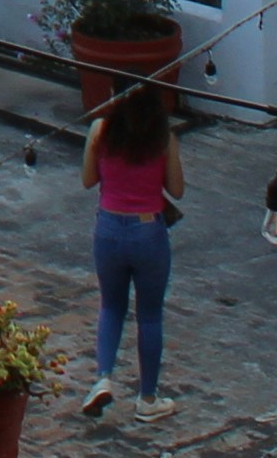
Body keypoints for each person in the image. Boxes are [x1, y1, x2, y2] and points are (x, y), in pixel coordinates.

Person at [81, 81, 182, 415]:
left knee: (111, 306)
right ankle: (148, 399)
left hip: (109, 227)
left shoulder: (101, 130)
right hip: (148, 231)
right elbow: (177, 190)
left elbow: (88, 179)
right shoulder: (163, 137)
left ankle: (103, 378)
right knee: (149, 315)